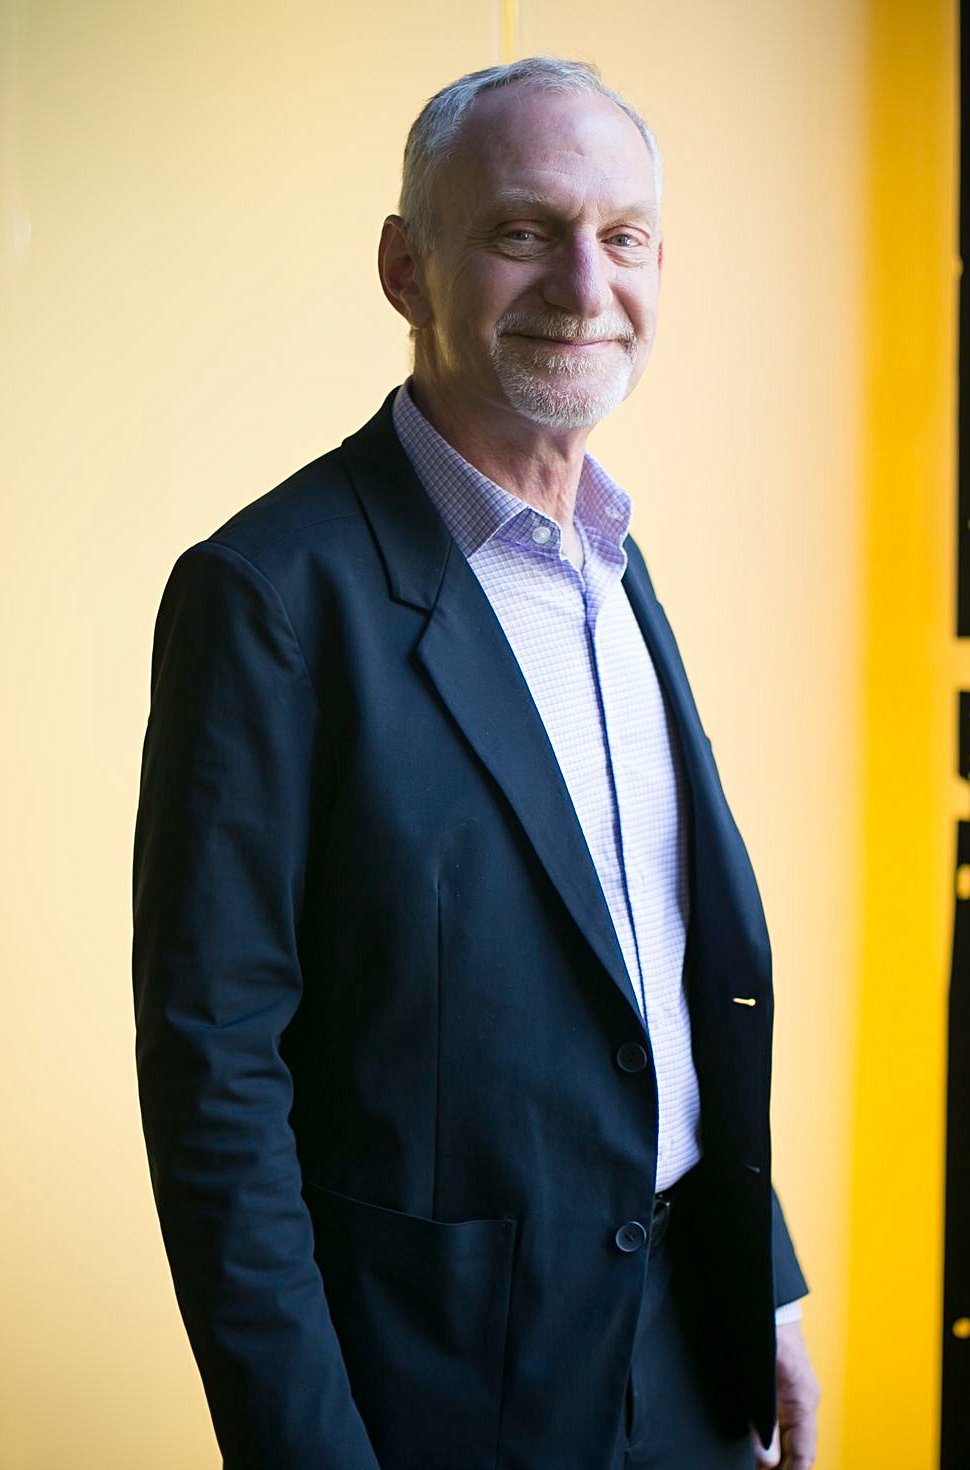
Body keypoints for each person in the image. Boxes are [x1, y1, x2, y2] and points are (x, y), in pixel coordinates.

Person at [132, 56, 820, 1470]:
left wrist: (761, 1280)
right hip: (444, 1395)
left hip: (688, 1357)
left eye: (623, 236)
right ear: (407, 268)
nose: (584, 282)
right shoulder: (271, 596)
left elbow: (658, 969)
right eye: (523, 229)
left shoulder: (612, 561)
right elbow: (215, 1081)